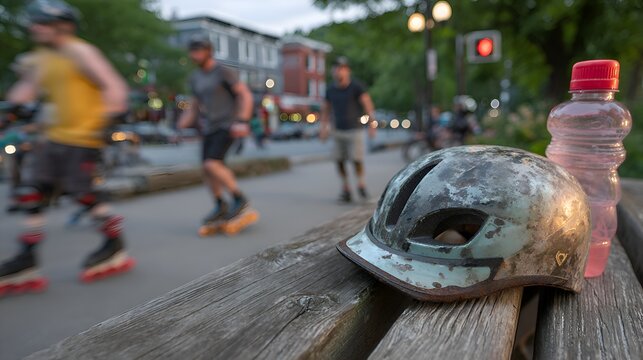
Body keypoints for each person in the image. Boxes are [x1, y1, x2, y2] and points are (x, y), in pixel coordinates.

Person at [0, 0, 133, 295]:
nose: (34, 28)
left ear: (62, 26)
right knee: (31, 192)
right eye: (34, 23)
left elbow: (114, 86)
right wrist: (13, 109)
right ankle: (27, 257)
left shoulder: (80, 51)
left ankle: (114, 242)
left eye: (42, 23)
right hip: (52, 138)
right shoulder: (41, 58)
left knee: (85, 195)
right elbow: (25, 89)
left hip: (82, 138)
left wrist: (111, 116)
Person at [177, 34, 254, 228]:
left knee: (213, 163)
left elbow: (244, 95)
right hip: (209, 127)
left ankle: (239, 199)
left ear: (208, 51)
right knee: (206, 168)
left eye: (199, 50)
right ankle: (220, 204)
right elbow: (194, 105)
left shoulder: (222, 72)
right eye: (193, 51)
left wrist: (242, 120)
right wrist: (182, 124)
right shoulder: (195, 78)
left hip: (227, 124)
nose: (195, 55)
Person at [320, 56, 377, 203]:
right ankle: (345, 188)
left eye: (342, 69)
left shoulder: (356, 87)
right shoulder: (330, 89)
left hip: (355, 129)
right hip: (338, 130)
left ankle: (361, 184)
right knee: (339, 160)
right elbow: (326, 109)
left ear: (347, 71)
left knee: (356, 159)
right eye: (336, 69)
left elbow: (368, 104)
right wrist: (324, 128)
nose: (338, 72)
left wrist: (372, 124)